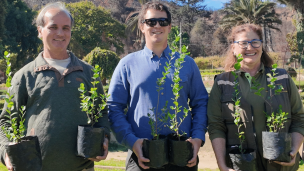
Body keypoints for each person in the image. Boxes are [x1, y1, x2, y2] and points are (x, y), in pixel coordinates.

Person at [0, 2, 110, 171]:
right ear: (39, 31)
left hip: (81, 167)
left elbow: (101, 112)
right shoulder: (25, 76)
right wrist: (6, 151)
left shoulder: (88, 73)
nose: (60, 33)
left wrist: (104, 139)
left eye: (66, 28)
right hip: (35, 167)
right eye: (53, 27)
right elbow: (6, 121)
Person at [107, 2, 208, 171]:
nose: (157, 26)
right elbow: (114, 107)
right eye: (151, 22)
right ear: (142, 26)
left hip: (182, 155)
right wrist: (131, 141)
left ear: (169, 27)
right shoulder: (127, 64)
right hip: (142, 156)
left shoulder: (187, 64)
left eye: (162, 21)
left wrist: (197, 137)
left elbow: (201, 103)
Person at [207, 23, 304, 171]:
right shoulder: (222, 82)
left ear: (262, 46)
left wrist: (294, 150)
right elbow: (216, 126)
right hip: (241, 165)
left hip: (280, 166)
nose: (250, 47)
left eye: (255, 42)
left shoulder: (282, 78)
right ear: (233, 48)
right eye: (243, 43)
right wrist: (222, 164)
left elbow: (299, 118)